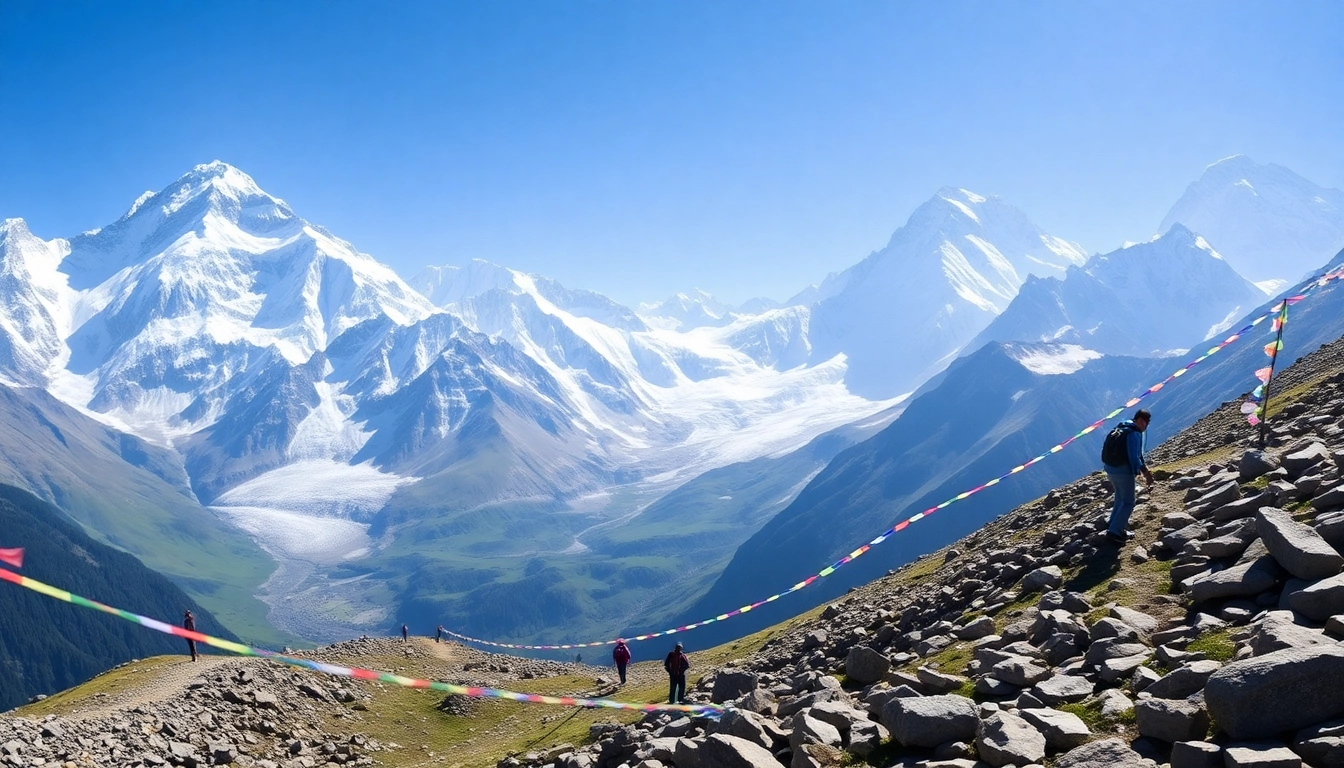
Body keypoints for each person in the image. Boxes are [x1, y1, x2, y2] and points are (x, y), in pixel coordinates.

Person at [1102, 408, 1154, 545]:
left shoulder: (1123, 426)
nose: (1146, 426)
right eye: (1146, 423)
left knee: (1120, 498)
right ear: (1141, 421)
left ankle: (1114, 525)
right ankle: (1114, 532)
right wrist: (1142, 472)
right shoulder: (1134, 434)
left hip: (1110, 469)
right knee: (1129, 501)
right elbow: (1134, 456)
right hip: (1122, 471)